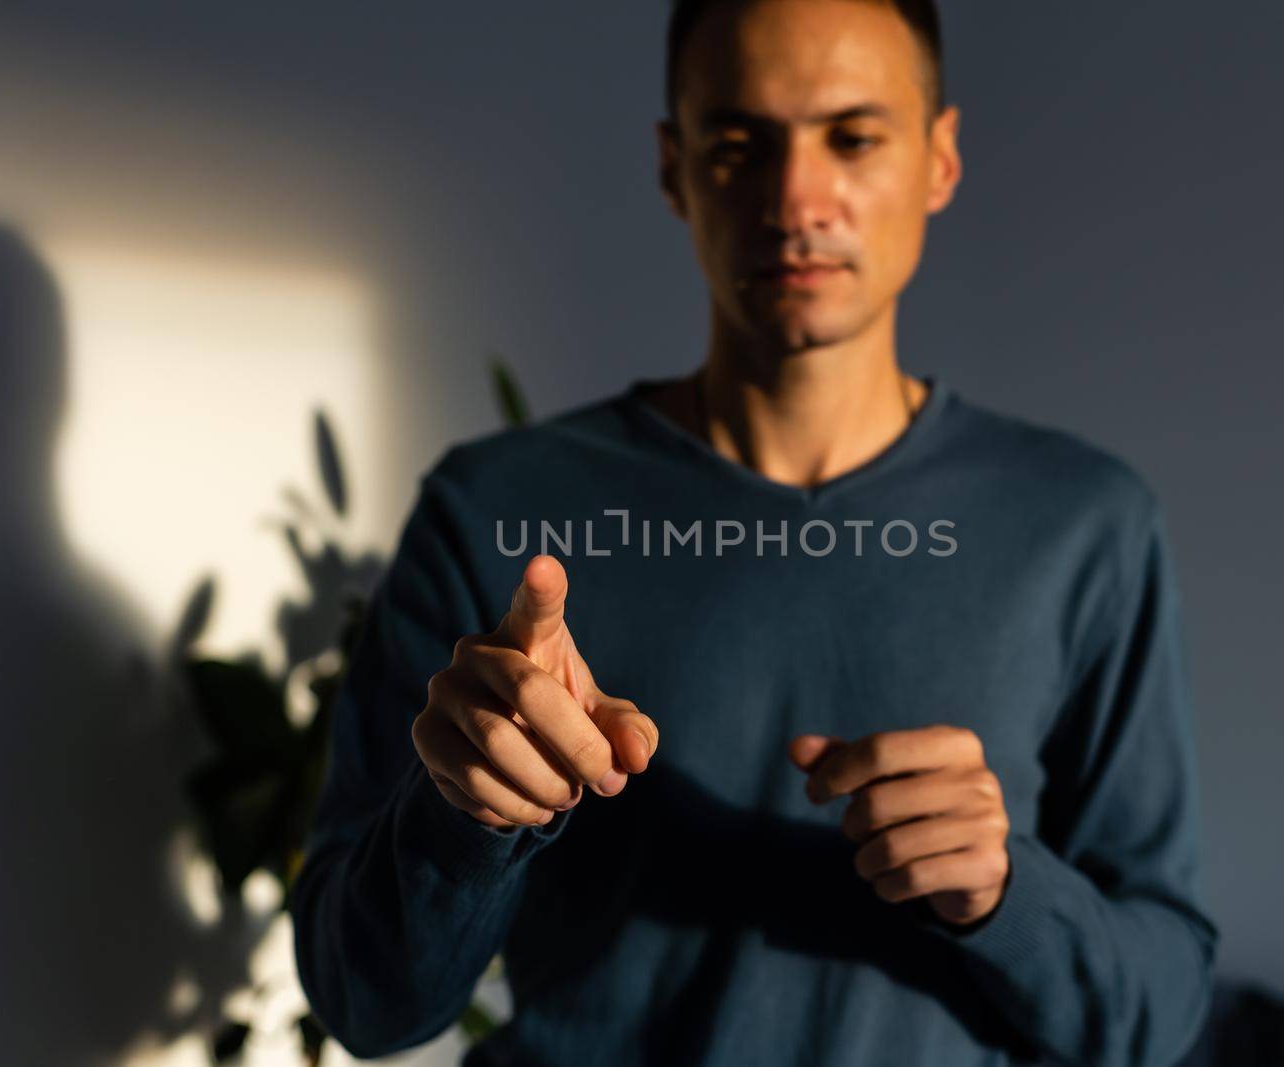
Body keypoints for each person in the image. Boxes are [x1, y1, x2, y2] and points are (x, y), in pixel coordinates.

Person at [291, 1, 1218, 1064]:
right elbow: (362, 1003)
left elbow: (1159, 1006)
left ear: (939, 159)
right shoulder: (495, 507)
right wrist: (463, 818)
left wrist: (1007, 889)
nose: (794, 199)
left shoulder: (1083, 523)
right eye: (739, 144)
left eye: (853, 137)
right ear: (673, 167)